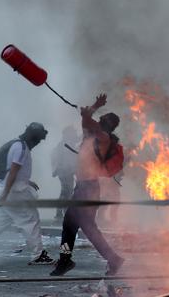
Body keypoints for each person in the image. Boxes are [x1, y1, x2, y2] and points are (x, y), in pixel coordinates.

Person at [50, 93, 125, 276]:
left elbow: (87, 120)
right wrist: (93, 108)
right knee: (72, 225)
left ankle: (111, 259)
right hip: (83, 188)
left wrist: (93, 108)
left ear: (107, 125)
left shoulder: (103, 137)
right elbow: (86, 121)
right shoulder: (90, 136)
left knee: (85, 228)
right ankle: (66, 260)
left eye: (102, 120)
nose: (99, 120)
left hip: (88, 189)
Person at [0, 122, 55, 265]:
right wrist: (5, 195)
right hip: (15, 193)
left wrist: (27, 181)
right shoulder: (21, 148)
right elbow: (13, 171)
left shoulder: (18, 145)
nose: (38, 142)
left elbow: (14, 172)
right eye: (38, 139)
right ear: (34, 137)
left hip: (11, 189)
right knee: (30, 220)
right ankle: (38, 255)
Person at [51, 126, 80, 220]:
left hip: (68, 171)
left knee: (67, 191)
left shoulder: (68, 143)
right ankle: (60, 214)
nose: (74, 135)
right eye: (73, 133)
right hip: (64, 172)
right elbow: (60, 159)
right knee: (66, 191)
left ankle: (62, 213)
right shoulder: (63, 145)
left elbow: (78, 139)